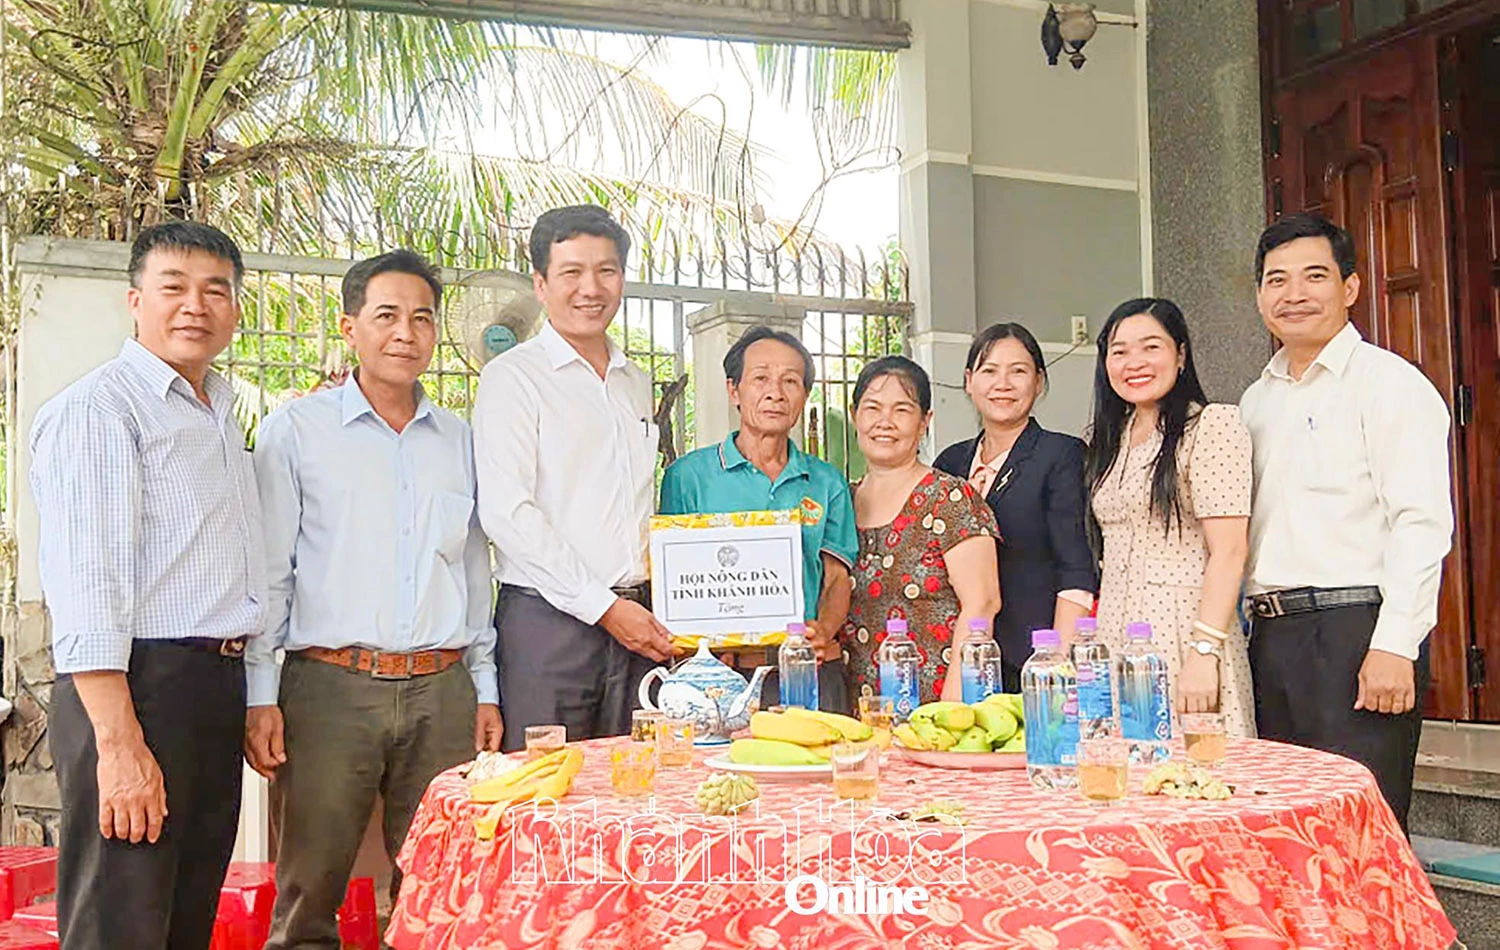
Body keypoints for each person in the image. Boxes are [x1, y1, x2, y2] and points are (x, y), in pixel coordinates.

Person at [243, 250, 501, 947]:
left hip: (440, 689)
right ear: (349, 325)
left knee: (442, 888)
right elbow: (272, 571)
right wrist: (260, 693)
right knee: (309, 893)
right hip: (328, 688)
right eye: (386, 316)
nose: (405, 334)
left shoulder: (461, 442)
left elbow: (474, 571)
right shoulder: (295, 433)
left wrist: (484, 688)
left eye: (421, 318)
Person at [31, 222, 264, 950]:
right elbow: (89, 585)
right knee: (120, 921)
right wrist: (119, 744)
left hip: (208, 688)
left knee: (183, 916)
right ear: (134, 301)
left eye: (215, 290)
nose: (196, 305)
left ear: (233, 308)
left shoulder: (216, 411)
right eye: (174, 287)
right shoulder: (103, 409)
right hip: (136, 688)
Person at [1240, 213, 1452, 829]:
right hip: (1272, 640)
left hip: (1356, 633)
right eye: (1276, 280)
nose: (1294, 294)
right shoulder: (1257, 401)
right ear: (1259, 296)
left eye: (1314, 276)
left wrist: (1395, 644)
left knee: (1363, 834)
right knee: (1285, 830)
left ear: (1351, 287)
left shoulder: (1390, 385)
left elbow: (1421, 523)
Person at [473, 205, 670, 751]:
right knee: (545, 798)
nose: (591, 288)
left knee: (636, 793)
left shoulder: (635, 381)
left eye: (606, 271)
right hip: (549, 627)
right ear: (540, 284)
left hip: (636, 624)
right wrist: (603, 609)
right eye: (571, 273)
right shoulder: (512, 378)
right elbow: (508, 513)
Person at [660, 326, 857, 713]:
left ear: (804, 395)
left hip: (807, 671)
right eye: (761, 378)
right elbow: (671, 580)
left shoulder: (826, 481)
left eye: (791, 381)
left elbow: (836, 576)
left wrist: (826, 630)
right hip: (719, 678)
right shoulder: (688, 477)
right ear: (734, 390)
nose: (775, 393)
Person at [1084, 298, 1256, 735]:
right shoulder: (1109, 439)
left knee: (1197, 782)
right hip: (1116, 638)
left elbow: (1230, 551)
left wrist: (1204, 652)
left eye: (1151, 347)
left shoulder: (1212, 426)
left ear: (1180, 356)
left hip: (1183, 632)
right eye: (1119, 351)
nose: (1134, 363)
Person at [934, 323, 1096, 690]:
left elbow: (1076, 569)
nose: (1002, 384)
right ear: (968, 381)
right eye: (989, 371)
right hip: (960, 663)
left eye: (1018, 371)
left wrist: (1056, 668)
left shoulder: (1062, 455)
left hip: (1032, 663)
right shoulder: (950, 463)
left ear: (1039, 382)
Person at [842, 356, 1002, 703]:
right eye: (872, 408)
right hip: (857, 715)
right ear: (855, 416)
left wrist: (953, 711)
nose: (885, 422)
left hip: (937, 712)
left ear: (925, 421)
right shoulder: (841, 502)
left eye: (901, 410)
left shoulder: (951, 498)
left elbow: (982, 603)